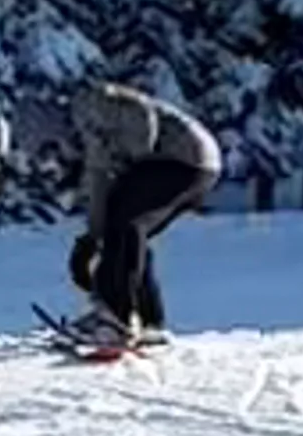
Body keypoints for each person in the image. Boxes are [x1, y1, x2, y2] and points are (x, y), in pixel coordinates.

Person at [67, 76, 222, 357]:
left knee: (127, 225)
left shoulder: (92, 102)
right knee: (129, 231)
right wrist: (91, 238)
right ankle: (148, 320)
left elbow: (141, 113)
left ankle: (117, 317)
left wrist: (132, 155)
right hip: (195, 165)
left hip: (183, 156)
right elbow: (99, 187)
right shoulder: (92, 138)